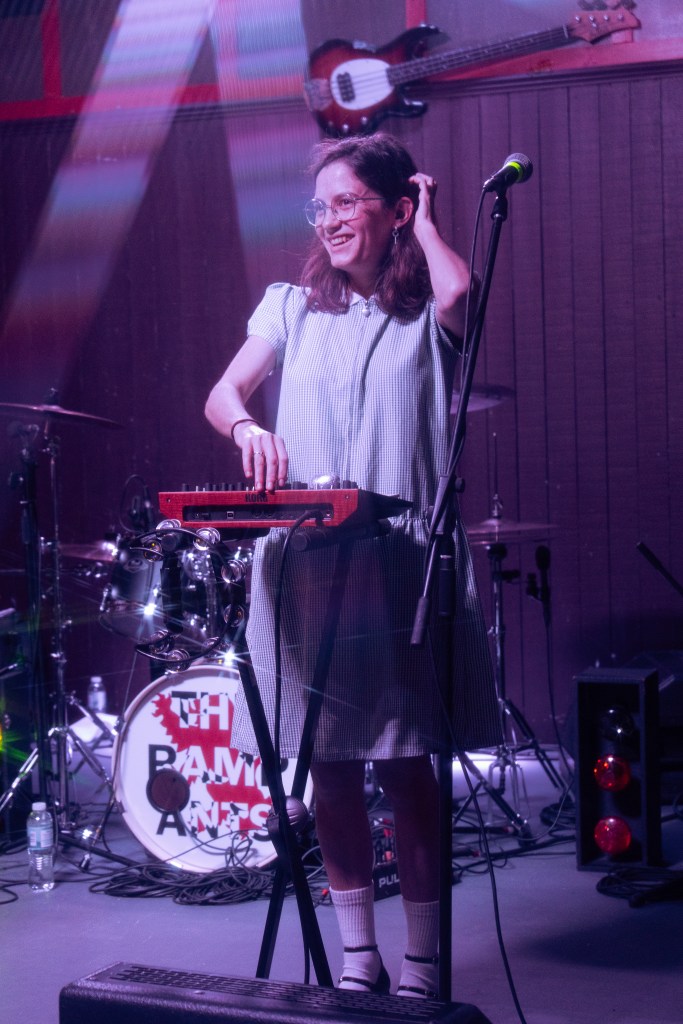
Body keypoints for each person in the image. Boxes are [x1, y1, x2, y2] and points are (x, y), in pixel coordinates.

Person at [205, 133, 500, 998]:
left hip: (397, 567)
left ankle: (421, 962)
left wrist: (428, 217)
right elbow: (223, 393)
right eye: (320, 207)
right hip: (304, 570)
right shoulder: (290, 306)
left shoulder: (428, 310)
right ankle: (357, 956)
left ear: (395, 208)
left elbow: (460, 291)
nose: (329, 221)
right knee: (326, 766)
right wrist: (247, 427)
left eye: (347, 203)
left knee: (407, 767)